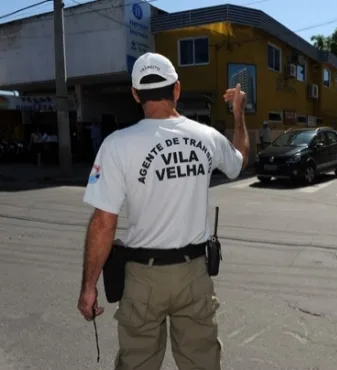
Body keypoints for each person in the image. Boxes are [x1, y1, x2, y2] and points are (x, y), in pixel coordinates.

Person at [77, 52, 249, 370]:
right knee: (203, 363)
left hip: (143, 278)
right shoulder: (207, 137)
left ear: (135, 94)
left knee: (137, 362)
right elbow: (239, 160)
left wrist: (89, 287)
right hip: (194, 274)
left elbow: (103, 224)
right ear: (177, 90)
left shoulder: (117, 145)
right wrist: (238, 114)